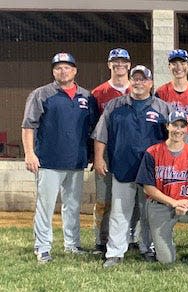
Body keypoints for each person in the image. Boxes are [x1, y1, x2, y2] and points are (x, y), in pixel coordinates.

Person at [92, 65, 173, 268]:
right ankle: (115, 252)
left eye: (143, 79)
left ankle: (148, 248)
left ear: (150, 83)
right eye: (135, 79)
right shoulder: (114, 106)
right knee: (120, 212)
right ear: (130, 81)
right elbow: (101, 134)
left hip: (152, 172)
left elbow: (173, 139)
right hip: (122, 167)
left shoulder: (163, 108)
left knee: (149, 213)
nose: (138, 83)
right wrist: (99, 158)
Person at [22, 52, 97, 263]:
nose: (62, 71)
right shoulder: (41, 94)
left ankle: (72, 244)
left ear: (75, 71)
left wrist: (91, 155)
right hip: (48, 161)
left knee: (72, 206)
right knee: (45, 206)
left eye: (67, 67)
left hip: (76, 161)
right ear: (53, 71)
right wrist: (29, 153)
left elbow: (91, 129)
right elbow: (28, 125)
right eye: (58, 68)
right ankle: (43, 246)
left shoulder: (86, 97)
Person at [135, 110, 188, 274]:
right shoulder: (153, 152)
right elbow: (148, 188)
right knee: (166, 260)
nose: (178, 130)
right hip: (160, 206)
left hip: (185, 205)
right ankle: (161, 241)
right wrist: (173, 202)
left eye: (182, 126)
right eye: (174, 125)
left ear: (187, 129)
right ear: (167, 126)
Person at [91, 48, 141, 255]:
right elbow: (93, 127)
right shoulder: (98, 92)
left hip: (131, 154)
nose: (119, 65)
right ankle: (101, 240)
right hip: (107, 152)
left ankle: (132, 237)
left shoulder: (139, 89)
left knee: (136, 199)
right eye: (115, 61)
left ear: (129, 65)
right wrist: (96, 156)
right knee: (104, 199)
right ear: (109, 64)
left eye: (123, 61)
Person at [155, 49, 188, 156]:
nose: (178, 67)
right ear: (169, 67)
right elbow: (157, 121)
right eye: (174, 63)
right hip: (169, 139)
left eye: (182, 62)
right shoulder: (161, 92)